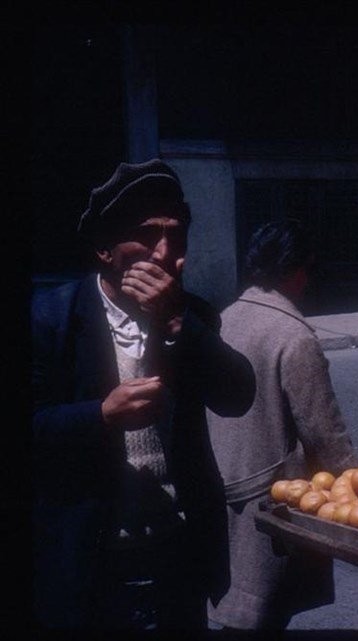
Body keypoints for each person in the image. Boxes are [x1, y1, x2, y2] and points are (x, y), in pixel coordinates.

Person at [31, 159, 256, 629]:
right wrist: (99, 416)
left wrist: (177, 323)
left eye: (177, 237)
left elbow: (237, 396)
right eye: (146, 235)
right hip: (93, 561)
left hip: (176, 554)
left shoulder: (191, 314)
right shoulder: (49, 318)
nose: (164, 253)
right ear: (104, 249)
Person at [206, 219, 358, 630]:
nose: (308, 281)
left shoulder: (224, 318)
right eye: (307, 269)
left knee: (234, 608)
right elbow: (323, 430)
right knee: (264, 613)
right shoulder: (293, 336)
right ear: (294, 271)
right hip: (269, 496)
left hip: (222, 486)